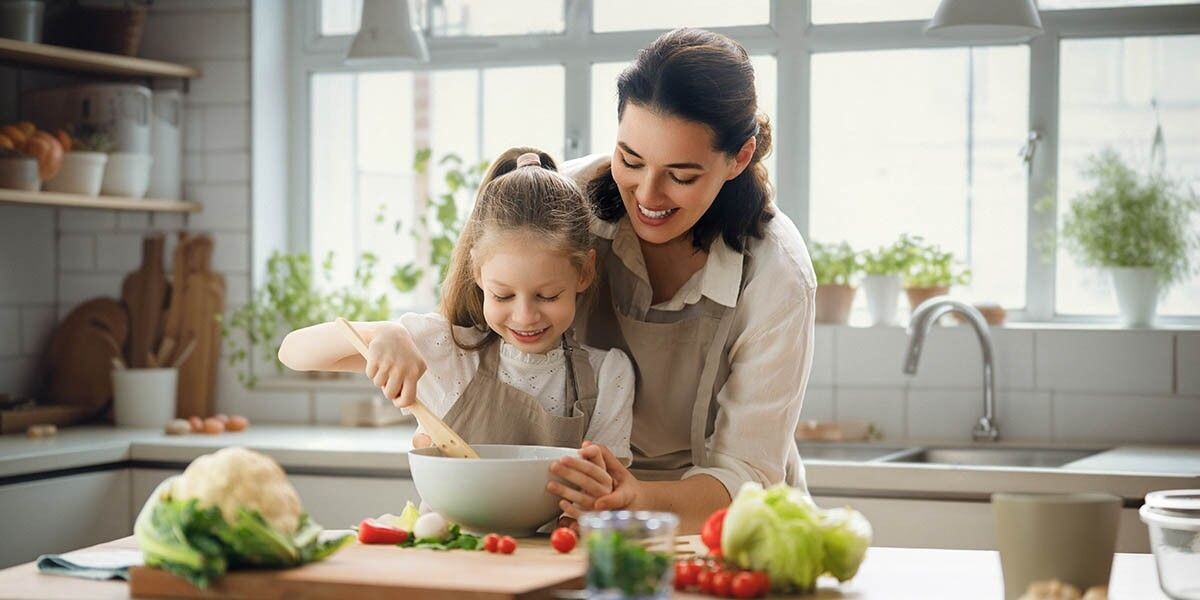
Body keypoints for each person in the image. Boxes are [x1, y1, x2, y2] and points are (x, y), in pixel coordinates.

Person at [548, 27, 818, 532]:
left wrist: (637, 498)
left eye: (682, 175)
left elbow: (745, 473)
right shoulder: (566, 204)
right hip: (581, 512)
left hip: (727, 525)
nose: (647, 194)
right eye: (630, 159)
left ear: (739, 158)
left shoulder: (776, 272)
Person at [278, 148, 635, 512]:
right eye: (503, 294)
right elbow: (292, 353)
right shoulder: (446, 350)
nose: (525, 315)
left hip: (550, 557)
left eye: (547, 295)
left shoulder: (608, 375)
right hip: (450, 553)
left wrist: (594, 505)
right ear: (477, 272)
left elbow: (608, 493)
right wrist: (383, 334)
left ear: (584, 273)